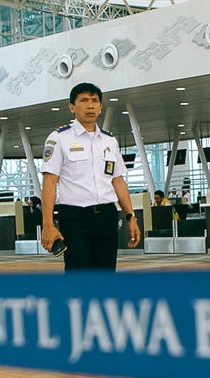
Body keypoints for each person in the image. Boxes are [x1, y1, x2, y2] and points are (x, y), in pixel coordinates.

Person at [40, 82, 141, 272]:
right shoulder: (59, 138)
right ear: (72, 107)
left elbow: (117, 181)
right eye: (83, 100)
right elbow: (50, 183)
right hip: (74, 217)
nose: (90, 105)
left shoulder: (109, 140)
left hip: (107, 217)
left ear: (101, 107)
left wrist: (131, 216)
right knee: (79, 275)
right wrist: (47, 225)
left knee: (106, 274)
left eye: (95, 101)